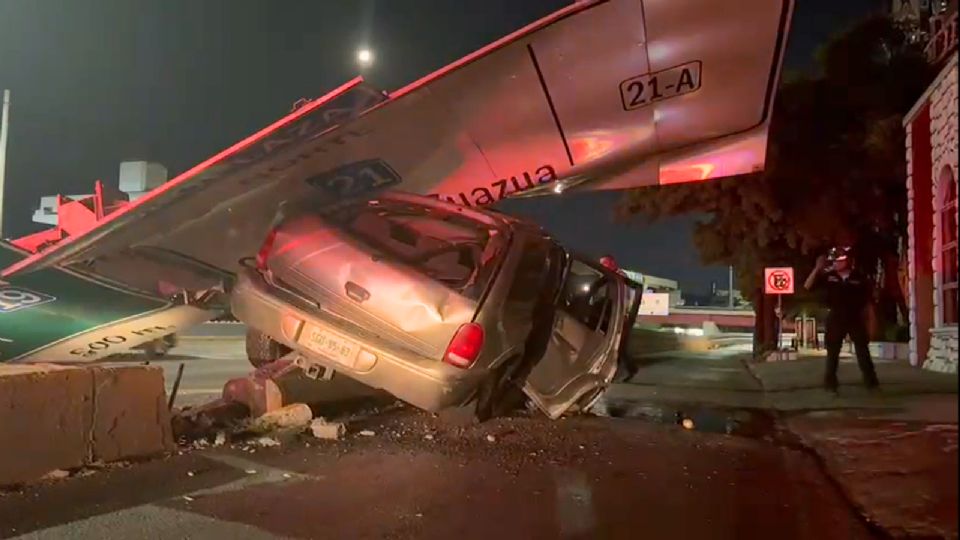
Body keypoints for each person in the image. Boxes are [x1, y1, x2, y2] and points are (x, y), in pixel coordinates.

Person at [803, 245, 879, 393]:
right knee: (833, 352)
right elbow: (808, 286)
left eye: (840, 260)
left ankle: (871, 382)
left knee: (862, 351)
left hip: (855, 317)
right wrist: (817, 269)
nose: (836, 263)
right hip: (836, 316)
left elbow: (869, 302)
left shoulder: (859, 277)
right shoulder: (829, 277)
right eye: (834, 261)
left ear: (848, 261)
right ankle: (830, 383)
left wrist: (872, 322)